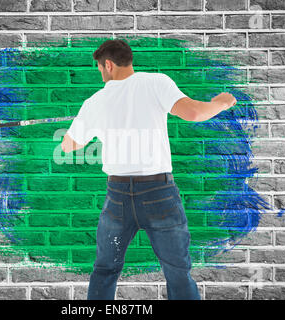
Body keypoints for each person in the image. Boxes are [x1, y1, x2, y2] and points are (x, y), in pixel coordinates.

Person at [60, 39, 237, 300]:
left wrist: (79, 123)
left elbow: (67, 147)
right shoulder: (156, 82)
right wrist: (221, 102)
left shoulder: (95, 102)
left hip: (117, 197)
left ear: (107, 64)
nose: (101, 75)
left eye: (99, 69)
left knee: (105, 269)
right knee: (177, 271)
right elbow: (194, 113)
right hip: (159, 194)